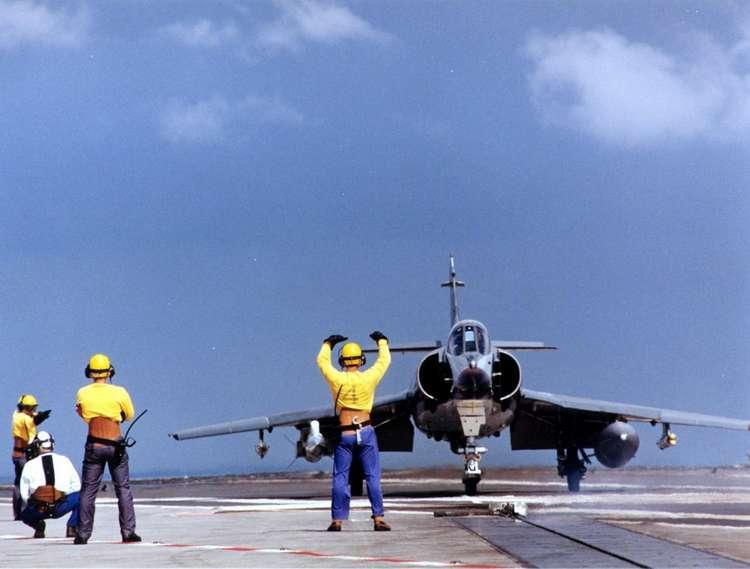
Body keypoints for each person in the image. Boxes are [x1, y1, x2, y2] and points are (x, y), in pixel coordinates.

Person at [316, 330, 391, 531]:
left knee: (341, 477)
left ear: (342, 360)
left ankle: (337, 520)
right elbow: (384, 361)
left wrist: (328, 343)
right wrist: (382, 341)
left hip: (346, 433)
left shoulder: (337, 379)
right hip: (366, 431)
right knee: (372, 476)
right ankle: (378, 518)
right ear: (361, 360)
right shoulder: (369, 378)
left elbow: (322, 362)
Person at [74, 353, 140, 544]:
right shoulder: (119, 391)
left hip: (94, 443)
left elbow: (85, 416)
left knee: (88, 490)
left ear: (89, 372)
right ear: (110, 371)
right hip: (115, 443)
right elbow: (130, 415)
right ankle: (128, 532)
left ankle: (83, 534)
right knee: (123, 488)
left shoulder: (82, 392)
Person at [18, 431, 80, 538]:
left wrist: (37, 501)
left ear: (37, 445)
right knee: (83, 498)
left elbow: (24, 494)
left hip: (40, 510)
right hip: (61, 506)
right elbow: (77, 486)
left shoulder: (29, 465)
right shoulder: (65, 460)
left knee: (24, 514)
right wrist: (61, 494)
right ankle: (72, 527)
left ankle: (38, 525)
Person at [11, 394, 51, 520]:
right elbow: (32, 440)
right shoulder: (27, 420)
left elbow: (27, 416)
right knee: (30, 483)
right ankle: (28, 512)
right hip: (25, 455)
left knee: (18, 483)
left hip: (16, 454)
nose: (34, 410)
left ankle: (18, 513)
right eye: (32, 408)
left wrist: (36, 416)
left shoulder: (16, 415)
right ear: (28, 407)